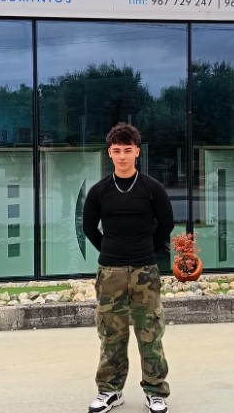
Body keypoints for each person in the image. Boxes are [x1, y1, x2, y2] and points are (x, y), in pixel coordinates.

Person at [83, 122, 174, 413]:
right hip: (110, 272)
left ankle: (155, 392)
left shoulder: (151, 188)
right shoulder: (99, 191)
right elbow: (88, 228)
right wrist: (110, 251)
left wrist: (147, 250)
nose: (122, 156)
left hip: (145, 271)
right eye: (117, 150)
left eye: (127, 150)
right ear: (109, 153)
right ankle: (110, 391)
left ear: (137, 152)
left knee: (150, 333)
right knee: (111, 334)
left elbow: (166, 224)